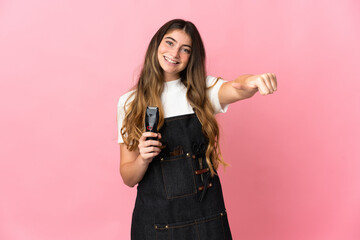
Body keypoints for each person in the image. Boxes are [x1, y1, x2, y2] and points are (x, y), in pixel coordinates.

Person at [117, 19, 277, 240]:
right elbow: (128, 176)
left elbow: (237, 87)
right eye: (170, 43)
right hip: (155, 225)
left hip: (207, 220)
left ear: (192, 57)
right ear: (156, 44)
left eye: (185, 50)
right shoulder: (129, 103)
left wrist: (253, 81)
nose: (175, 53)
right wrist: (142, 159)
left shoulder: (202, 90)